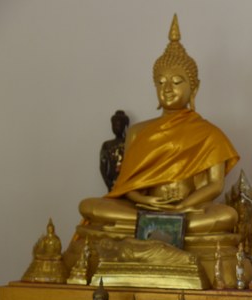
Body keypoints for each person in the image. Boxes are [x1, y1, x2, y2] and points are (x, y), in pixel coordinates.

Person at [78, 14, 239, 235]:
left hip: (189, 209)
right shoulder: (137, 132)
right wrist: (147, 201)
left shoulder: (210, 134)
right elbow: (126, 185)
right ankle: (158, 224)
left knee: (227, 215)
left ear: (194, 88)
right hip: (144, 208)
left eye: (177, 82)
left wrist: (183, 205)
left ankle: (158, 226)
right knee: (89, 206)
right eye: (161, 83)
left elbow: (215, 185)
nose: (167, 89)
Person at [99, 110, 130, 191]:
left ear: (125, 126)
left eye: (119, 125)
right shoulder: (107, 144)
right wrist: (107, 182)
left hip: (127, 181)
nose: (116, 127)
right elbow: (103, 167)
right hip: (112, 180)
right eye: (114, 125)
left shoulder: (130, 142)